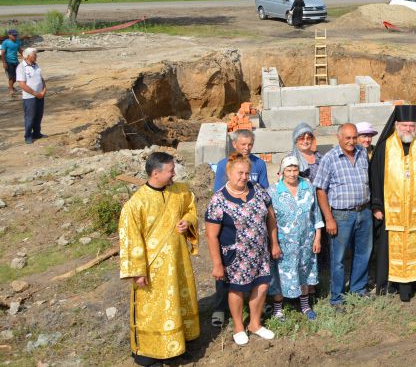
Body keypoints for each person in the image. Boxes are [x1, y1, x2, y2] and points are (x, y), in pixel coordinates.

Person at [118, 152, 199, 366]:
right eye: (171, 170)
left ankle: (177, 348)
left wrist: (187, 221)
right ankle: (148, 353)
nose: (174, 174)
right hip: (151, 271)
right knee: (152, 310)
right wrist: (137, 272)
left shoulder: (180, 191)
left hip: (178, 262)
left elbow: (191, 208)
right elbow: (130, 239)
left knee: (176, 305)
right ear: (156, 173)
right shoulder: (136, 204)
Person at [205, 154, 279, 346]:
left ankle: (255, 324)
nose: (244, 177)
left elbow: (271, 218)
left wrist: (274, 243)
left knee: (262, 285)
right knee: (237, 290)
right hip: (235, 255)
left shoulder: (259, 190)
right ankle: (238, 327)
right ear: (229, 173)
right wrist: (217, 264)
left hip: (260, 252)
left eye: (247, 173)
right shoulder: (218, 200)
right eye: (240, 173)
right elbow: (211, 235)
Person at [370, 105, 416, 302]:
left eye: (411, 125)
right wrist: (377, 206)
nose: (408, 129)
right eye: (404, 125)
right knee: (390, 249)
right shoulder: (384, 147)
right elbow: (375, 178)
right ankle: (390, 286)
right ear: (397, 125)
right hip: (392, 213)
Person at [313, 123, 372, 309]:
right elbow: (321, 190)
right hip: (341, 215)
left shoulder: (362, 153)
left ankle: (358, 289)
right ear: (339, 138)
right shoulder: (330, 158)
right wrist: (329, 218)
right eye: (347, 138)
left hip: (364, 211)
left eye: (354, 137)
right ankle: (336, 297)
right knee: (338, 259)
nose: (352, 141)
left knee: (363, 253)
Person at [270, 156, 322, 320]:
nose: (292, 174)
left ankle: (305, 306)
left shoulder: (308, 187)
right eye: (288, 170)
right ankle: (278, 309)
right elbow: (270, 221)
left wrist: (318, 237)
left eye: (295, 170)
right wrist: (274, 244)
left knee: (304, 271)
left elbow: (316, 213)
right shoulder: (273, 192)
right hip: (284, 243)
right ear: (282, 171)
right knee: (280, 275)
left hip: (306, 240)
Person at [15, 47, 45, 144]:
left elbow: (41, 78)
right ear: (28, 56)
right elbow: (22, 84)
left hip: (40, 95)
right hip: (30, 97)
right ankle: (28, 136)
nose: (36, 56)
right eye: (34, 55)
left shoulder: (35, 65)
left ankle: (37, 133)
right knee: (30, 117)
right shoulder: (21, 67)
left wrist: (44, 89)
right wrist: (36, 93)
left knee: (38, 115)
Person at [2, 29, 22, 97]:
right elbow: (3, 53)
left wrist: (25, 56)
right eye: (14, 35)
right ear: (9, 35)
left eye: (16, 35)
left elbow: (19, 50)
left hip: (16, 61)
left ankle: (10, 86)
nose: (15, 36)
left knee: (18, 76)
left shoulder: (18, 42)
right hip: (8, 62)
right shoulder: (5, 42)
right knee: (11, 77)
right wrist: (4, 62)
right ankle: (11, 89)